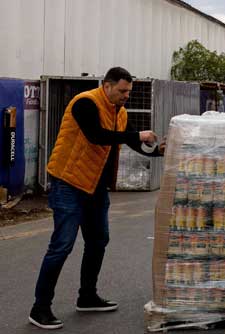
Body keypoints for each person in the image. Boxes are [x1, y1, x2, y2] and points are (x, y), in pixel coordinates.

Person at [29, 67, 165, 330]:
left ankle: (87, 296)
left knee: (98, 241)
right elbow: (96, 136)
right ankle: (40, 308)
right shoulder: (85, 103)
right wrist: (137, 135)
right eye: (122, 90)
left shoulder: (120, 113)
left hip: (95, 188)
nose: (126, 96)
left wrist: (158, 150)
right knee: (62, 245)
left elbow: (136, 144)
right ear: (107, 86)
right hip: (68, 183)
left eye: (129, 91)